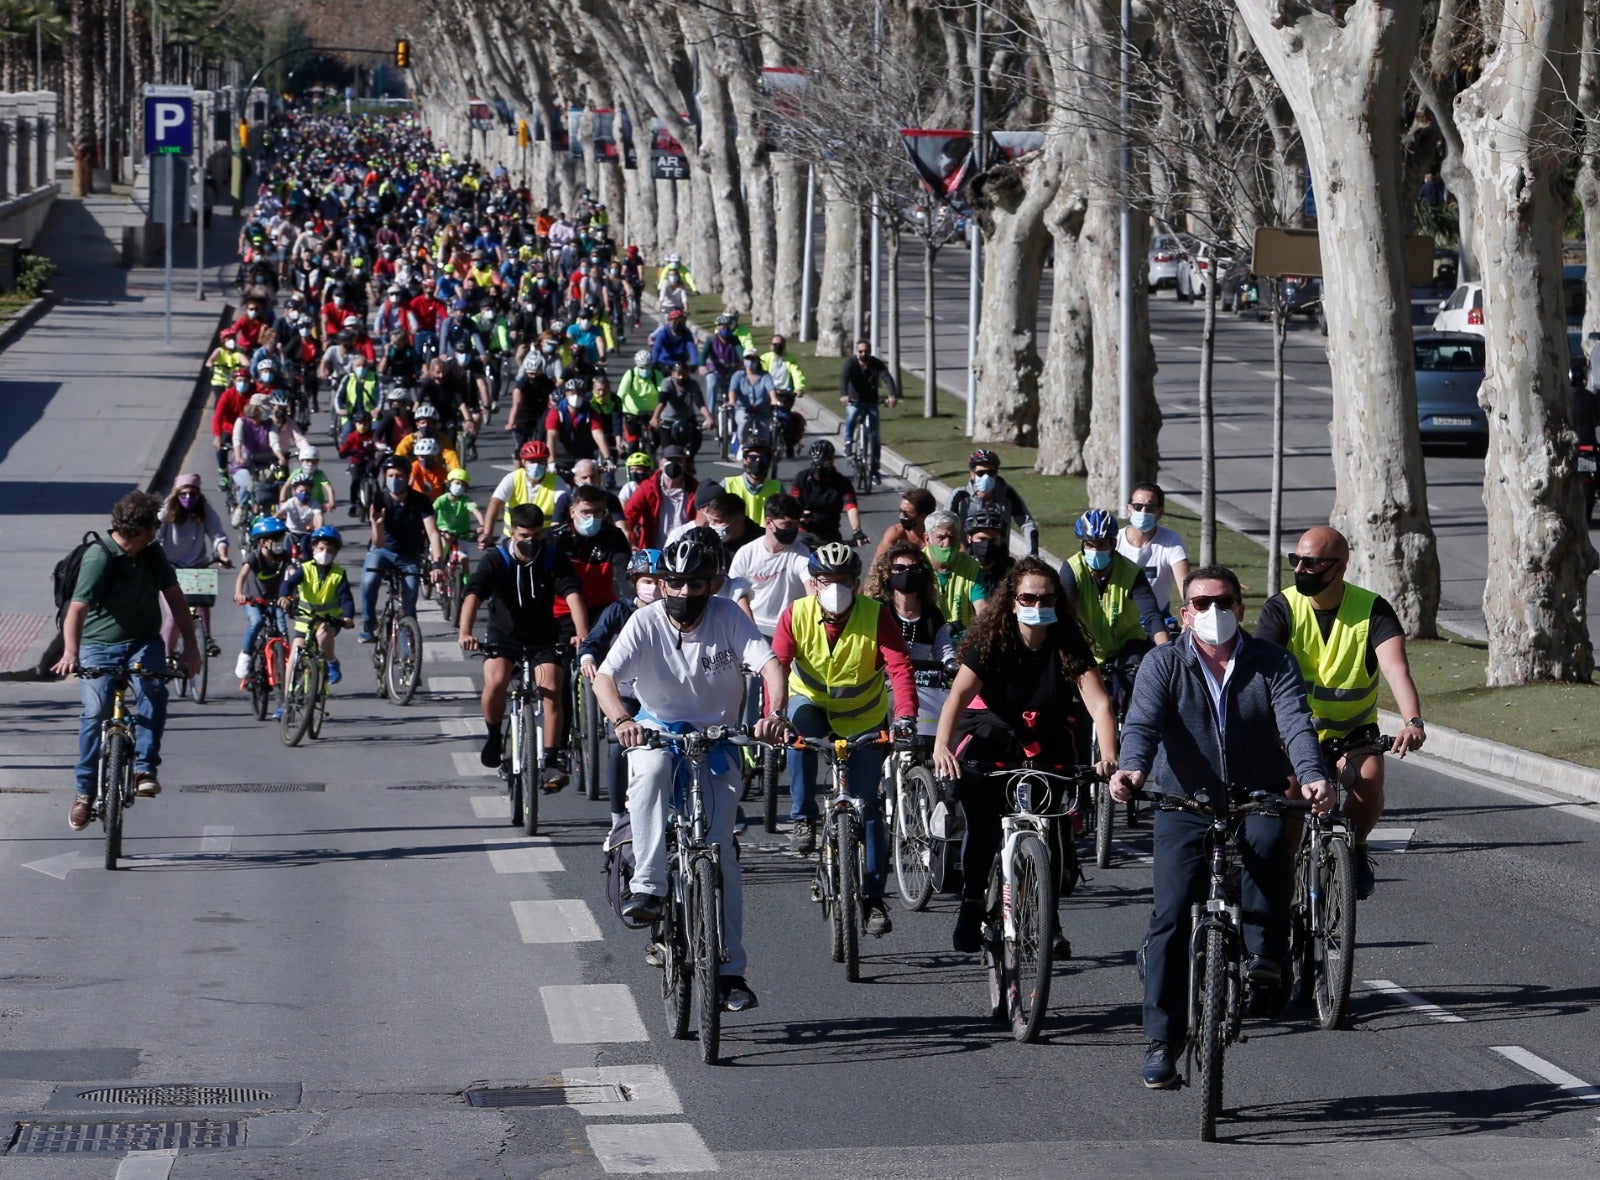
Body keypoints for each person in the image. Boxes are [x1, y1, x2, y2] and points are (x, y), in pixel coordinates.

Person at [1107, 565, 1332, 1090]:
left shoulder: (1272, 662)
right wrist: (1132, 769)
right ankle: (1162, 1041)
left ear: (1240, 608)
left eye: (1224, 601)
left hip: (1255, 795)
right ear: (1184, 613)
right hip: (1183, 800)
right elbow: (1140, 724)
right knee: (1169, 914)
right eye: (1202, 604)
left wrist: (1314, 775)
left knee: (1270, 843)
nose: (1214, 612)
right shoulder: (1163, 663)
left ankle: (1265, 958)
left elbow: (1296, 722)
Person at [593, 535, 788, 1013]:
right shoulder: (644, 621)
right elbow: (604, 677)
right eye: (672, 583)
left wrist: (774, 713)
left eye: (694, 583)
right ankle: (650, 886)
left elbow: (770, 665)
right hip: (656, 731)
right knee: (653, 770)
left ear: (712, 584)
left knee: (722, 857)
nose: (682, 593)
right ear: (661, 583)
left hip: (718, 740)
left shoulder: (729, 616)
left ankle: (730, 973)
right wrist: (624, 721)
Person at [932, 558, 1118, 953]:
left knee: (1052, 830)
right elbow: (958, 697)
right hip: (990, 743)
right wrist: (942, 745)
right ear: (1013, 602)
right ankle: (971, 904)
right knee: (982, 829)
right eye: (1028, 597)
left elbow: (1099, 705)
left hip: (1047, 744)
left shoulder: (1067, 644)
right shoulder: (993, 642)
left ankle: (1049, 922)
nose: (1037, 603)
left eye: (1046, 597)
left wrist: (1108, 756)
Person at [1252, 526, 1426, 899]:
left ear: (1339, 568)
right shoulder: (1281, 608)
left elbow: (1396, 669)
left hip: (1352, 732)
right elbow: (1258, 671)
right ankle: (1285, 874)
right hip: (1293, 731)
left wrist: (1412, 721)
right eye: (1295, 560)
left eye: (1311, 563)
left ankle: (1356, 848)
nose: (1300, 569)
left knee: (1369, 780)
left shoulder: (1372, 610)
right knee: (1291, 796)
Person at [772, 542, 918, 938]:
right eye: (824, 581)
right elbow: (778, 666)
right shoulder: (796, 613)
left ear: (856, 583)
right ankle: (803, 817)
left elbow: (900, 667)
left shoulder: (876, 615)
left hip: (864, 718)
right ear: (814, 583)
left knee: (868, 806)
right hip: (811, 704)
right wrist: (774, 714)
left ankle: (872, 897)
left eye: (841, 581)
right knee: (799, 737)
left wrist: (905, 718)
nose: (832, 588)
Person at [54, 491, 201, 829]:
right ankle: (84, 794)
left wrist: (191, 647)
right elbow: (76, 610)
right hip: (98, 645)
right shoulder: (99, 559)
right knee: (95, 712)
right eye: (153, 527)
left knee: (153, 689)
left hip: (143, 642)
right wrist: (71, 653)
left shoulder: (151, 554)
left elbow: (175, 599)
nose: (156, 533)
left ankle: (144, 769)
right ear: (138, 530)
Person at [459, 504, 587, 788]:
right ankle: (493, 736)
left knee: (552, 686)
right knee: (496, 681)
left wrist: (581, 633)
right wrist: (465, 632)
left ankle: (551, 761)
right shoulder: (497, 559)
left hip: (542, 636)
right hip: (503, 636)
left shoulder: (552, 558)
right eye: (523, 535)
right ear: (512, 532)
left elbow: (573, 595)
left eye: (537, 535)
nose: (530, 541)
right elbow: (473, 595)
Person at [579, 549, 663, 833]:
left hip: (662, 696)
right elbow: (594, 641)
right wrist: (588, 658)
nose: (653, 587)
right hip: (625, 695)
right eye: (646, 581)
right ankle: (617, 821)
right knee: (619, 744)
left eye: (659, 580)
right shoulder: (619, 611)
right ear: (634, 582)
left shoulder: (673, 613)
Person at [1060, 508, 1169, 720]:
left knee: (1135, 688)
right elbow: (1065, 614)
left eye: (1101, 545)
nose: (1095, 550)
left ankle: (1130, 733)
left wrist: (1166, 653)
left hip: (1127, 644)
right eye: (1089, 544)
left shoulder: (1131, 572)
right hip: (1087, 645)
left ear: (1113, 544)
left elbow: (1152, 616)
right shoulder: (1071, 570)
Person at [865, 544, 955, 739]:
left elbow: (945, 651)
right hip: (884, 683)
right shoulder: (877, 611)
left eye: (915, 569)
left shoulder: (933, 616)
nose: (907, 573)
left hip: (925, 686)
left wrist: (953, 664)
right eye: (899, 568)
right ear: (887, 574)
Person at [360, 453, 445, 641]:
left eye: (399, 476)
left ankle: (408, 656)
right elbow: (378, 542)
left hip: (409, 556)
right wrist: (377, 524)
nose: (394, 480)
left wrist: (437, 565)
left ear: (408, 478)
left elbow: (433, 533)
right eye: (390, 476)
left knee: (409, 605)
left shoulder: (420, 500)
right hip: (382, 551)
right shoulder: (380, 499)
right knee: (369, 581)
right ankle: (368, 622)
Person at [155, 474, 231, 659]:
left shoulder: (204, 509)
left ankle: (207, 637)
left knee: (202, 605)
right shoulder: (166, 510)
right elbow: (155, 537)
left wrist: (222, 555)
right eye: (184, 494)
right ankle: (166, 656)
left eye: (193, 494)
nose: (188, 498)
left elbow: (218, 535)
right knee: (173, 615)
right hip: (171, 569)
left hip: (197, 566)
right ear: (176, 494)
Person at [279, 525, 356, 686]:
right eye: (321, 548)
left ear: (336, 553)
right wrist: (284, 596)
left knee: (322, 637)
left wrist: (348, 617)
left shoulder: (339, 573)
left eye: (330, 551)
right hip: (305, 621)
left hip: (328, 621)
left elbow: (346, 598)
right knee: (293, 660)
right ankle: (286, 702)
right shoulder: (305, 569)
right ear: (313, 548)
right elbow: (289, 583)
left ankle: (331, 662)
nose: (324, 553)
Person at [726, 494, 811, 638]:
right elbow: (738, 594)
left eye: (796, 525)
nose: (793, 530)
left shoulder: (801, 552)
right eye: (787, 525)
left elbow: (811, 585)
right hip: (755, 626)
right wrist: (750, 629)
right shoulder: (747, 553)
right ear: (769, 522)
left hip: (790, 628)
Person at [1118, 482, 1189, 622]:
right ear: (1129, 509)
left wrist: (1189, 618)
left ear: (1160, 513)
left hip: (1157, 619)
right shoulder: (1114, 540)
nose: (1143, 512)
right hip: (1119, 620)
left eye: (1150, 508)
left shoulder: (1171, 540)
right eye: (1138, 507)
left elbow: (1185, 587)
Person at [232, 517, 292, 683]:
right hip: (254, 600)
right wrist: (239, 593)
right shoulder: (254, 557)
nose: (281, 542)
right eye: (277, 538)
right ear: (263, 542)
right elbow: (242, 575)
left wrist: (294, 592)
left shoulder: (283, 556)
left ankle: (285, 665)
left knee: (282, 629)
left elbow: (293, 573)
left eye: (281, 537)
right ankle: (245, 655)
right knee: (257, 622)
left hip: (275, 600)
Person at [948, 449, 1040, 556]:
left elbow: (1027, 524)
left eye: (991, 473)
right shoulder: (960, 496)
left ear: (996, 474)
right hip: (967, 559)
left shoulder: (1008, 494)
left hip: (1000, 560)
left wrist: (1033, 555)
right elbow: (944, 525)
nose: (986, 477)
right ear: (972, 474)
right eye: (980, 473)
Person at [839, 338, 899, 485]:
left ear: (870, 352)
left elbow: (887, 378)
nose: (863, 354)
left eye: (866, 351)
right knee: (852, 414)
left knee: (875, 436)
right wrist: (844, 394)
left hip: (871, 401)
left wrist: (892, 395)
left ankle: (875, 470)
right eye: (860, 351)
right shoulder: (851, 363)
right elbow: (844, 378)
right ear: (856, 352)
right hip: (854, 400)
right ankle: (848, 442)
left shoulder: (876, 364)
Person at [790, 440, 866, 548]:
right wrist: (800, 516)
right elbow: (793, 507)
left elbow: (851, 508)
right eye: (817, 463)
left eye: (824, 463)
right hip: (804, 534)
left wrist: (857, 531)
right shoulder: (801, 479)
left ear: (832, 461)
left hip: (830, 535)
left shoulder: (842, 482)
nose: (820, 468)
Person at [484, 440, 563, 543]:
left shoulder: (556, 482)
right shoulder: (513, 478)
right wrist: (487, 534)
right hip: (512, 538)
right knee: (498, 557)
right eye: (532, 461)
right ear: (523, 462)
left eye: (540, 461)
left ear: (546, 462)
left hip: (542, 539)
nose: (536, 465)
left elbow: (564, 503)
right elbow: (495, 503)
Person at [923, 509, 987, 633]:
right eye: (941, 538)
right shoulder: (917, 566)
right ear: (927, 539)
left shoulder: (971, 567)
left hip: (960, 642)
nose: (947, 543)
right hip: (926, 639)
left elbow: (981, 606)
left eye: (952, 537)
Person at [623, 444, 699, 549]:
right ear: (660, 464)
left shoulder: (695, 489)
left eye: (678, 460)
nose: (673, 464)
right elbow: (629, 516)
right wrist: (631, 542)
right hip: (654, 552)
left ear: (685, 465)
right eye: (669, 460)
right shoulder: (647, 488)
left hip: (685, 551)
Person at [723, 427, 782, 526]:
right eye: (753, 457)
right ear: (745, 460)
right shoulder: (728, 485)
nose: (758, 461)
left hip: (765, 540)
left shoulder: (778, 488)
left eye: (763, 458)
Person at [873, 488, 936, 563]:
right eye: (900, 511)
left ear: (923, 516)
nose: (901, 515)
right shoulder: (896, 533)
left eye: (907, 513)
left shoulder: (938, 535)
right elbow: (877, 563)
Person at [433, 468, 485, 553]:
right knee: (443, 548)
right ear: (449, 483)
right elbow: (431, 512)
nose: (460, 487)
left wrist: (482, 525)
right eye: (457, 483)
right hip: (445, 530)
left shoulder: (466, 500)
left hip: (462, 533)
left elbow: (476, 511)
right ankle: (439, 562)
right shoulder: (441, 500)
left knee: (464, 560)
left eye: (463, 485)